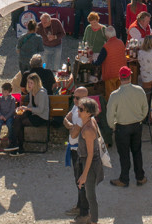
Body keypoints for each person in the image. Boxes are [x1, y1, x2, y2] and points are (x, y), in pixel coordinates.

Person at [107, 66, 148, 187]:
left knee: (124, 154)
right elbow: (145, 108)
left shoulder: (114, 95)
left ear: (120, 78)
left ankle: (124, 179)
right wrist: (140, 118)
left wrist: (112, 126)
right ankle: (140, 177)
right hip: (136, 125)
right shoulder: (139, 90)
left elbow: (109, 115)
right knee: (137, 151)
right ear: (130, 76)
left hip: (122, 127)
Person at [74, 97, 103, 224]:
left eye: (81, 109)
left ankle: (94, 221)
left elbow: (90, 154)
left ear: (89, 112)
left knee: (90, 196)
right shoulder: (90, 121)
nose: (78, 111)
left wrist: (84, 175)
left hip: (90, 163)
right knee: (88, 194)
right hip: (87, 161)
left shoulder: (88, 129)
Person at [62, 86, 90, 217]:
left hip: (79, 151)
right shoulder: (76, 107)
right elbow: (65, 119)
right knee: (77, 180)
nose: (74, 99)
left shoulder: (83, 113)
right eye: (74, 96)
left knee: (81, 181)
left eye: (77, 98)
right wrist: (70, 125)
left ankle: (84, 213)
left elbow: (74, 134)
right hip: (73, 148)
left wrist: (71, 127)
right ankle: (80, 206)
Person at [8, 73, 48, 155]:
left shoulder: (41, 93)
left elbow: (40, 110)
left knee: (20, 122)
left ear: (36, 83)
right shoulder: (31, 92)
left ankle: (15, 144)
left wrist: (28, 109)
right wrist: (23, 108)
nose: (29, 85)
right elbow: (30, 105)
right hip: (34, 113)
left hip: (41, 117)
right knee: (18, 117)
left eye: (31, 83)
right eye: (28, 82)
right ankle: (16, 145)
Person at [96, 26, 126, 98]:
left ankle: (111, 109)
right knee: (121, 96)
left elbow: (99, 61)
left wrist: (92, 61)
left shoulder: (106, 46)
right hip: (121, 74)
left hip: (111, 74)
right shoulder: (121, 42)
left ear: (106, 36)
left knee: (111, 97)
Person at [0, 82, 17, 150]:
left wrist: (6, 117)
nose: (3, 93)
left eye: (5, 92)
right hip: (1, 116)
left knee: (9, 124)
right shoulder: (0, 99)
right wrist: (0, 115)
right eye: (2, 91)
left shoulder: (12, 99)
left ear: (9, 92)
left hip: (9, 116)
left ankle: (10, 138)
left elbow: (12, 110)